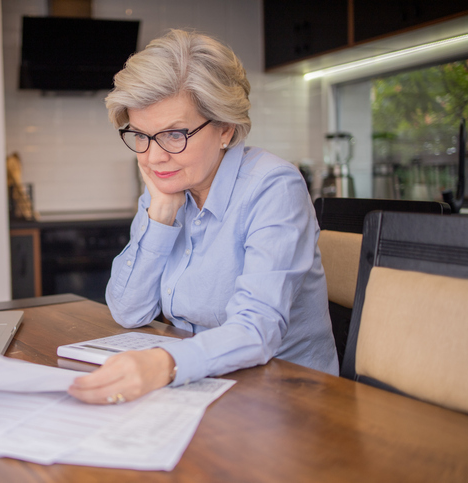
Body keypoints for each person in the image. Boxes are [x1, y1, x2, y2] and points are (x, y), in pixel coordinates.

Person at [68, 29, 338, 405]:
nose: (153, 157)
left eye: (174, 134)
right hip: (204, 386)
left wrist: (162, 364)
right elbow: (129, 311)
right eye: (140, 136)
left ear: (225, 128)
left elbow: (256, 331)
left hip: (285, 398)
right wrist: (160, 213)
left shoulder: (273, 187)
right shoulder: (170, 184)